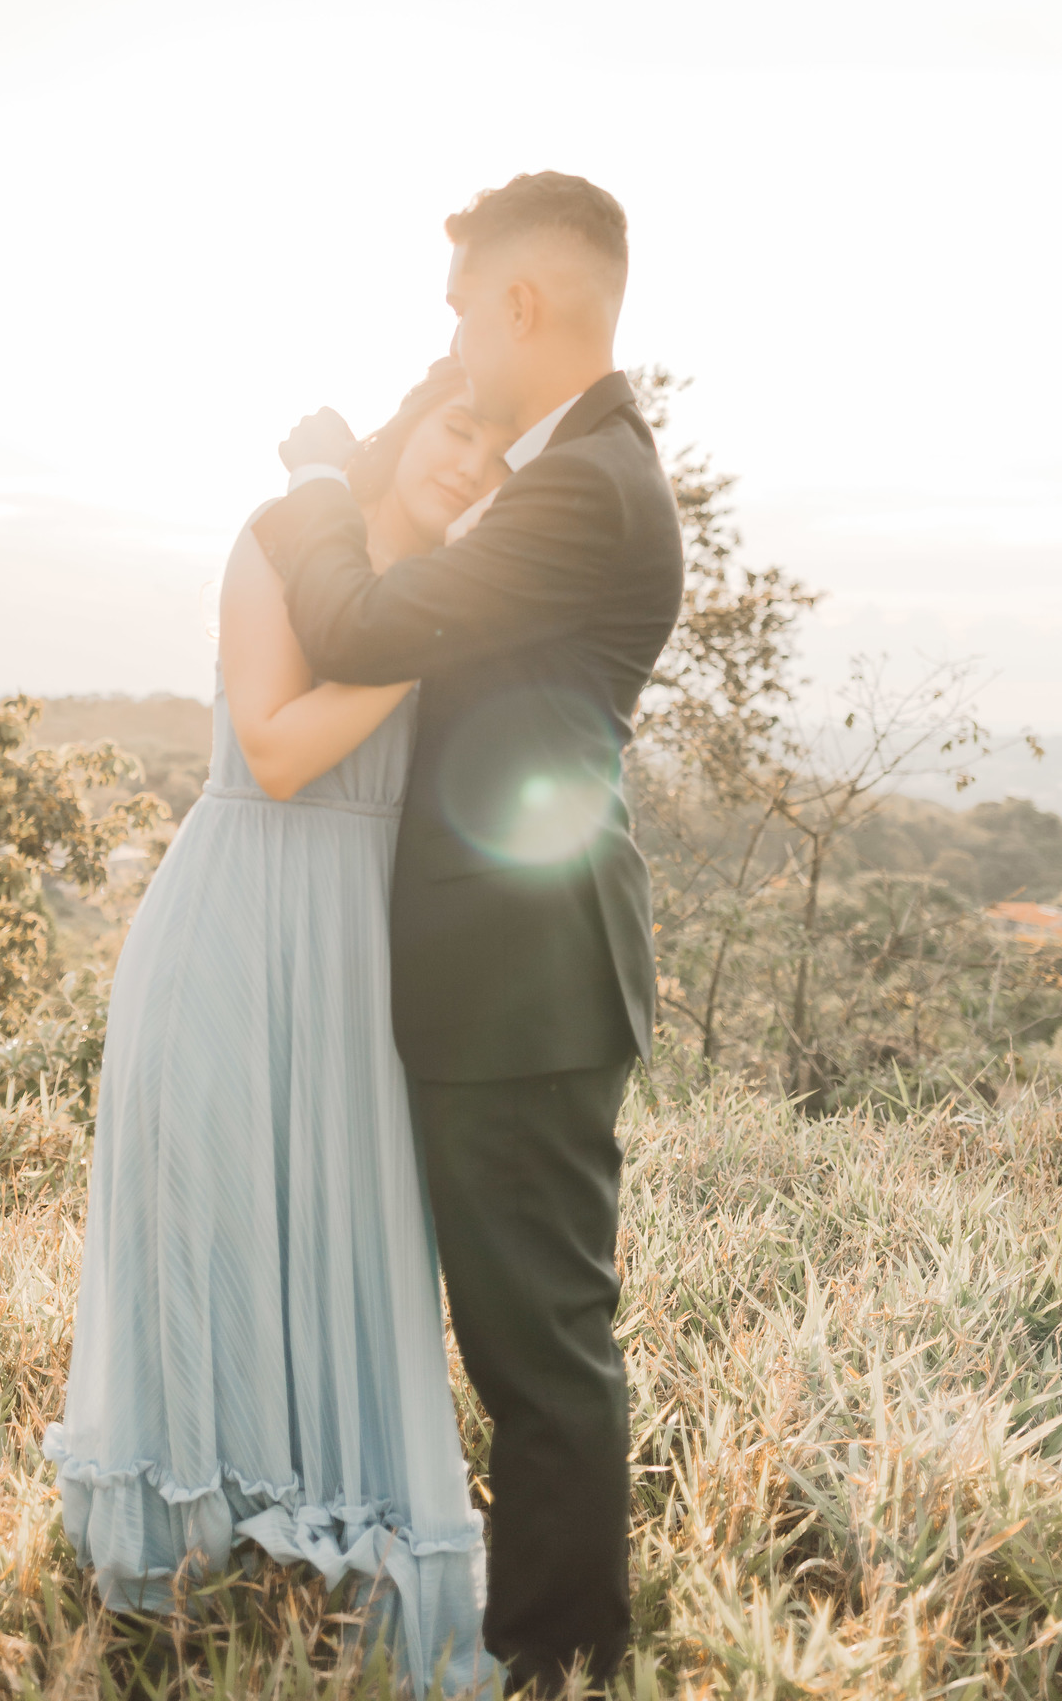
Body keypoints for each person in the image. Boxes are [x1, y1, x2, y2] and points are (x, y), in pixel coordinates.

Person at [253, 171, 685, 1695]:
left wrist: (312, 484)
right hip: (511, 973)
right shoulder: (575, 462)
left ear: (519, 304)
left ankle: (558, 1661)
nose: (449, 340)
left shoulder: (587, 484)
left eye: (457, 311)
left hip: (524, 984)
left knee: (544, 1356)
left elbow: (372, 625)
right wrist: (383, 445)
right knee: (534, 1343)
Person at [43, 361, 513, 1698]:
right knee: (210, 1232)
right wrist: (438, 628)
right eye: (458, 424)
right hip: (237, 917)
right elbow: (281, 743)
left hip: (366, 951)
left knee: (355, 1243)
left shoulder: (447, 596)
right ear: (407, 425)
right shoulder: (286, 540)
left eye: (499, 449)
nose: (472, 460)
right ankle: (185, 1567)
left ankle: (336, 1554)